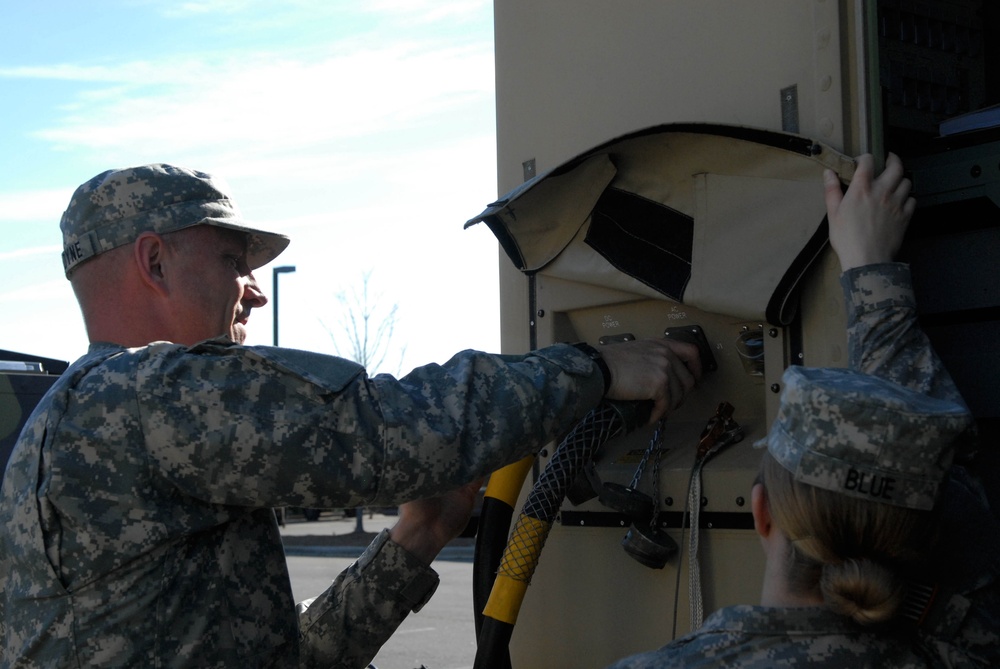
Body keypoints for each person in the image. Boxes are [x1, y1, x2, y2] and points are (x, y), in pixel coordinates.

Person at [0, 163, 703, 668]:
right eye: (232, 259)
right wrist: (600, 368)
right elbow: (390, 426)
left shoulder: (78, 415)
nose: (254, 291)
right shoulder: (146, 392)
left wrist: (417, 537)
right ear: (154, 260)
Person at [605, 152, 998, 668]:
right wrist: (868, 266)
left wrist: (867, 264)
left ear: (761, 512)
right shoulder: (970, 647)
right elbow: (944, 465)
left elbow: (946, 461)